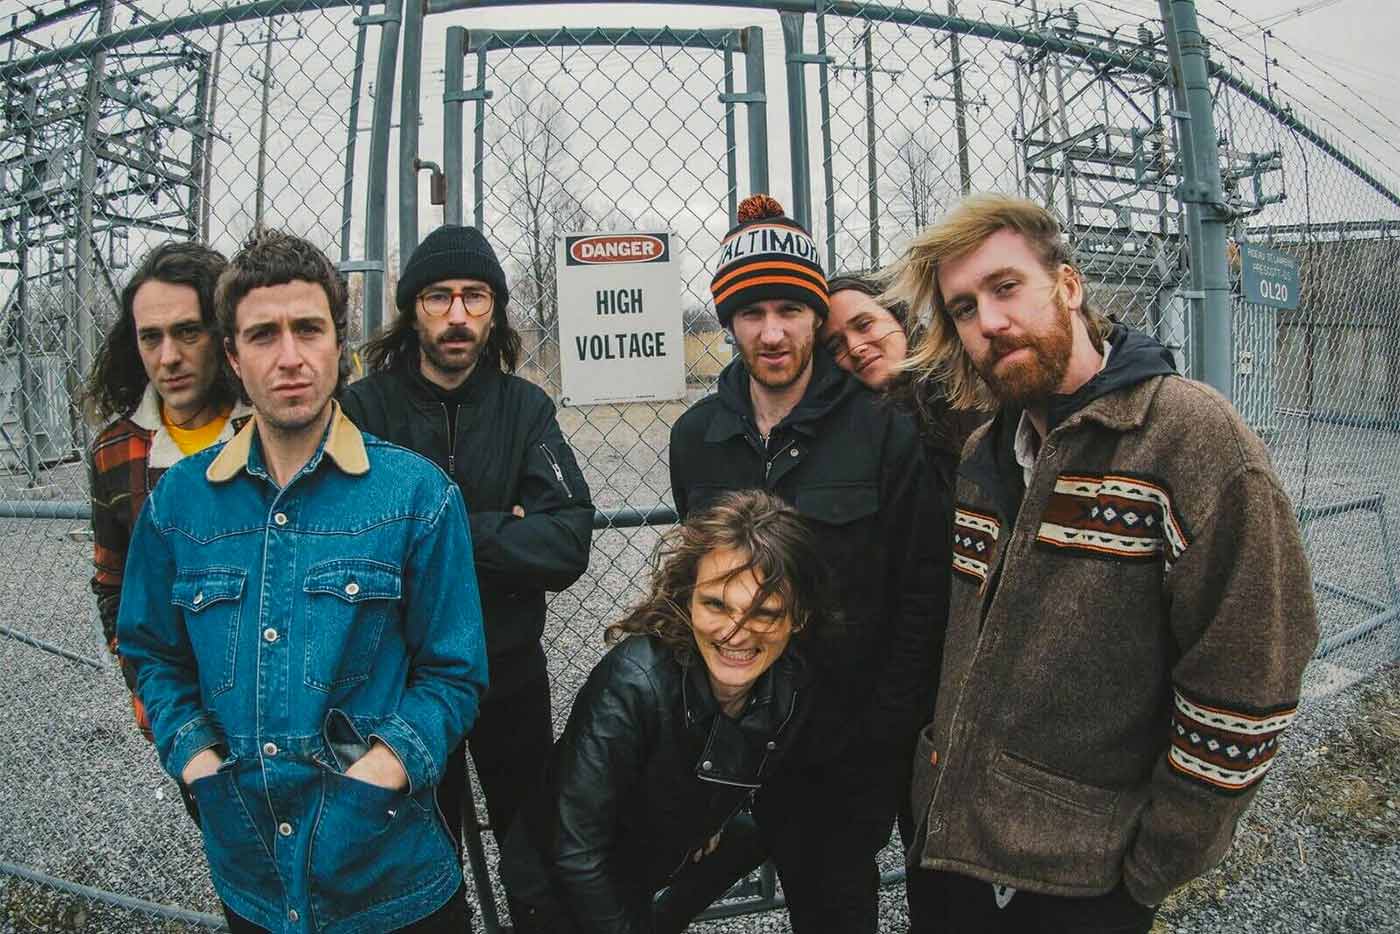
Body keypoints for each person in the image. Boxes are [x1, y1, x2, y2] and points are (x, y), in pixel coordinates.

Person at [886, 193, 1319, 932]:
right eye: (964, 309)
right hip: (952, 849)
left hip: (1082, 880)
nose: (989, 321)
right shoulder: (986, 453)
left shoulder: (1188, 438)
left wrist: (1152, 866)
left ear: (1068, 284)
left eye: (1005, 286)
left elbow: (1251, 677)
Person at [117, 228, 488, 933]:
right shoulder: (178, 506)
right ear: (233, 356)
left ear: (339, 345)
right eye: (263, 335)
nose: (290, 357)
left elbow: (454, 672)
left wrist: (379, 774)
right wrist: (198, 762)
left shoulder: (417, 497)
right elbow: (152, 655)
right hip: (251, 876)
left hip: (391, 879)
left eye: (308, 329)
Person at [667, 195, 947, 933]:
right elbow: (695, 585)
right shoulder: (696, 437)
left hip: (848, 743)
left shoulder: (881, 428)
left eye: (790, 309)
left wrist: (883, 732)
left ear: (815, 316)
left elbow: (921, 589)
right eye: (751, 312)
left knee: (836, 906)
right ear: (727, 321)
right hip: (740, 734)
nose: (772, 332)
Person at [340, 224, 593, 878]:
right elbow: (352, 546)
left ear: (494, 310)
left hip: (508, 671)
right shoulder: (366, 411)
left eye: (475, 297)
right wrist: (506, 529)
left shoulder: (524, 409)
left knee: (534, 852)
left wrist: (435, 529)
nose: (457, 315)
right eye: (439, 297)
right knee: (421, 855)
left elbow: (567, 541)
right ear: (412, 310)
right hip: (402, 682)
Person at [498, 489, 834, 934]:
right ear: (687, 596)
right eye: (716, 604)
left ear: (799, 617)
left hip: (646, 862)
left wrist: (712, 819)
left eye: (764, 612)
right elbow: (577, 851)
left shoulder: (791, 684)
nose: (734, 634)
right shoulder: (632, 682)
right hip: (556, 882)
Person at [85, 241, 250, 743]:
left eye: (188, 332)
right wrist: (151, 698)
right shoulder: (116, 450)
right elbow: (114, 584)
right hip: (185, 710)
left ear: (223, 333)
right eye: (150, 337)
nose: (169, 357)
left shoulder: (268, 429)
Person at [820, 271, 985, 489]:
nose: (855, 347)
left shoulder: (972, 393)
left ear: (898, 317)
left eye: (864, 325)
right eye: (835, 346)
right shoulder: (842, 433)